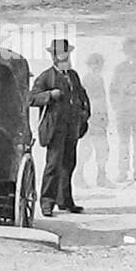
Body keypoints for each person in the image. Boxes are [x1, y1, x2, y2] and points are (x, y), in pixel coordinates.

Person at [30, 38, 91, 216]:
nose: (65, 57)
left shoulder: (73, 75)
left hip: (72, 128)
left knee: (69, 164)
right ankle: (47, 202)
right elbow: (31, 98)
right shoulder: (46, 76)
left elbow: (82, 96)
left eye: (67, 54)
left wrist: (85, 112)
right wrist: (50, 94)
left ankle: (65, 201)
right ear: (54, 57)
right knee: (53, 166)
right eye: (61, 54)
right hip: (55, 129)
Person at [110, 37, 136, 182]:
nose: (132, 54)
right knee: (123, 142)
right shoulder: (120, 68)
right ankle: (123, 171)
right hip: (124, 110)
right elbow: (113, 89)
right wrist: (117, 106)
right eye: (129, 51)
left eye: (134, 51)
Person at [75, 52, 111, 189]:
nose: (96, 67)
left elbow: (102, 100)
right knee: (86, 150)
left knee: (102, 150)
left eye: (99, 64)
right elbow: (87, 101)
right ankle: (79, 176)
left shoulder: (99, 79)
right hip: (90, 119)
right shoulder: (87, 79)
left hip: (99, 118)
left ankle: (101, 176)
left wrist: (105, 116)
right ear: (89, 65)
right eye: (94, 64)